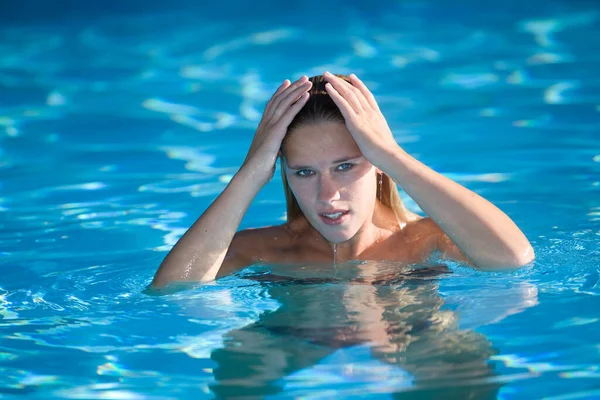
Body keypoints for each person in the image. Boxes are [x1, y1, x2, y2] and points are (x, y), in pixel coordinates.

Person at [150, 72, 535, 289]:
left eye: (345, 166)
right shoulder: (264, 251)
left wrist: (393, 155)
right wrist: (251, 172)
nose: (327, 195)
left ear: (377, 161)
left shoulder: (426, 242)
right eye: (304, 172)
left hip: (410, 349)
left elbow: (512, 260)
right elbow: (173, 289)